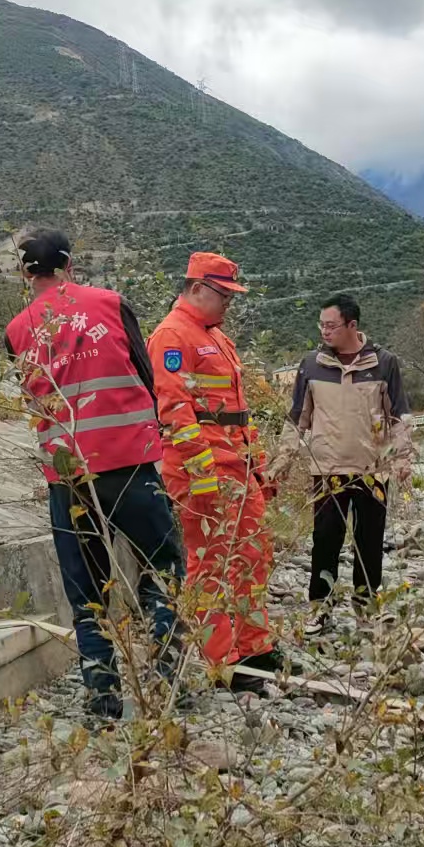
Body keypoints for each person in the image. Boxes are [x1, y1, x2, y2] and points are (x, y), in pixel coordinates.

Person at [3, 228, 184, 723]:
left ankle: (102, 699)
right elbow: (147, 375)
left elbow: (30, 399)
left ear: (25, 274)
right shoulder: (110, 304)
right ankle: (168, 681)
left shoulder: (17, 330)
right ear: (70, 266)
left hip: (67, 478)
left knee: (87, 591)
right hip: (129, 465)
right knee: (162, 569)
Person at [147, 252, 282, 691]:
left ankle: (256, 647)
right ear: (196, 288)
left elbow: (238, 411)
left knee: (253, 555)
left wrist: (258, 467)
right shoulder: (172, 336)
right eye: (223, 294)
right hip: (203, 472)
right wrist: (203, 478)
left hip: (237, 465)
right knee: (210, 566)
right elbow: (175, 413)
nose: (229, 302)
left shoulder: (216, 336)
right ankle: (223, 661)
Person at [278, 293, 415, 633]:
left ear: (352, 325)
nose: (324, 331)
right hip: (327, 470)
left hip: (372, 470)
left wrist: (402, 459)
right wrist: (283, 458)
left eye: (331, 325)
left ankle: (366, 609)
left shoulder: (384, 363)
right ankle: (320, 609)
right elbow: (298, 417)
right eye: (321, 325)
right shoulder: (311, 365)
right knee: (325, 540)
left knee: (369, 542)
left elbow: (398, 415)